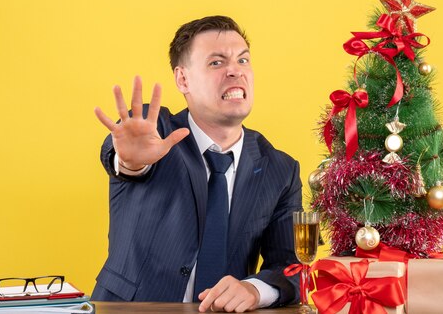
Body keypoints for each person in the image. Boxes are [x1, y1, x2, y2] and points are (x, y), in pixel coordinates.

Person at [91, 16, 302, 312]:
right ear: (183, 79)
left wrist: (254, 290)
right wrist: (129, 162)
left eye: (243, 60)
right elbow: (122, 158)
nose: (234, 71)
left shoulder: (280, 169)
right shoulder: (155, 131)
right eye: (216, 63)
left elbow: (290, 268)